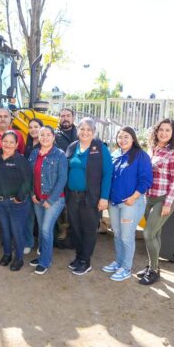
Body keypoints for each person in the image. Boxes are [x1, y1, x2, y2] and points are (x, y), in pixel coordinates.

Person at [102, 126, 153, 282]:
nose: (122, 140)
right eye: (120, 137)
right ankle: (118, 262)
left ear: (133, 139)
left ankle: (126, 267)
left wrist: (134, 197)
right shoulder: (114, 155)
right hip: (114, 202)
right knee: (117, 234)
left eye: (126, 137)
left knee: (126, 235)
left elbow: (146, 180)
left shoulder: (140, 156)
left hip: (130, 203)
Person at [137, 118, 174, 285]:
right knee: (155, 233)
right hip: (149, 196)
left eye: (168, 130)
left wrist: (168, 203)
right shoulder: (153, 149)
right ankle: (152, 266)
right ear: (156, 131)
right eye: (161, 129)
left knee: (148, 233)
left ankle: (154, 270)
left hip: (164, 198)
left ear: (173, 133)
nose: (164, 133)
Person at [65, 118, 112, 276]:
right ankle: (79, 257)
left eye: (89, 130)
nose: (85, 132)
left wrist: (104, 197)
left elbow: (107, 174)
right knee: (75, 228)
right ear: (77, 130)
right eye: (82, 129)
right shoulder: (72, 147)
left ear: (93, 132)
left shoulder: (100, 148)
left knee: (89, 230)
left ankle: (86, 261)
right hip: (72, 196)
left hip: (91, 197)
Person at [28, 126, 68, 275]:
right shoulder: (34, 154)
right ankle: (42, 257)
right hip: (37, 198)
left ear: (53, 137)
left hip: (54, 200)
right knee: (41, 228)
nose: (44, 138)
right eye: (42, 135)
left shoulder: (59, 155)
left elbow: (62, 179)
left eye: (48, 135)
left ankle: (45, 261)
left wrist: (50, 200)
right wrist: (32, 193)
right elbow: (30, 176)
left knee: (46, 229)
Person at [0, 130, 32, 271]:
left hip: (17, 204)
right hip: (0, 203)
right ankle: (7, 254)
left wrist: (19, 197)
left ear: (16, 145)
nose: (8, 144)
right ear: (1, 143)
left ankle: (19, 258)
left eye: (11, 142)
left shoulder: (21, 160)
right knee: (5, 231)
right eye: (5, 141)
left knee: (17, 231)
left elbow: (27, 181)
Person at [54, 108, 78, 248]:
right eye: (62, 116)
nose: (65, 118)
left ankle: (74, 237)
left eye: (68, 115)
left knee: (75, 209)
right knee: (62, 208)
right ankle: (61, 236)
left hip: (77, 177)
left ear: (73, 118)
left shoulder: (81, 132)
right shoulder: (55, 135)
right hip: (61, 176)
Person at [23, 118, 43, 254]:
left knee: (42, 219)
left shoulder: (45, 144)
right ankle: (28, 242)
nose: (33, 129)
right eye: (30, 127)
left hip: (41, 187)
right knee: (28, 216)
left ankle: (43, 244)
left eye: (36, 126)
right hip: (28, 186)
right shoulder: (28, 145)